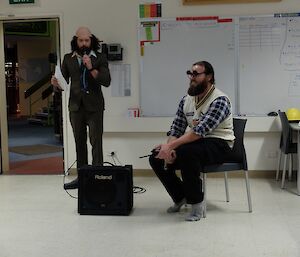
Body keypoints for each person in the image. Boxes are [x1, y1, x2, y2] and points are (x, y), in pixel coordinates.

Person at [149, 61, 235, 221]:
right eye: (190, 73)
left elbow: (198, 132)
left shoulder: (220, 100)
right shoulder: (186, 100)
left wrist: (171, 146)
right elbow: (177, 128)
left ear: (209, 77)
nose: (192, 78)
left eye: (196, 74)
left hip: (220, 144)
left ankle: (196, 204)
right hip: (198, 143)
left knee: (188, 153)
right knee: (156, 157)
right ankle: (180, 196)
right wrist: (169, 149)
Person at [51, 27, 111, 190]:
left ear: (91, 41)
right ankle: (82, 178)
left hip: (95, 108)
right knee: (79, 143)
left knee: (96, 142)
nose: (84, 43)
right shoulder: (68, 59)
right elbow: (63, 83)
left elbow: (106, 81)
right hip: (76, 108)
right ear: (75, 41)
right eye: (81, 40)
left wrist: (91, 67)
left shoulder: (100, 57)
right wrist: (56, 85)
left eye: (87, 40)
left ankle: (98, 177)